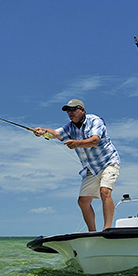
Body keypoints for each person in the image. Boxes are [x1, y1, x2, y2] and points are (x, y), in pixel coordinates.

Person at [33, 99, 121, 231]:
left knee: (105, 191)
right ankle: (92, 232)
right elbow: (56, 134)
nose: (70, 113)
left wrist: (76, 143)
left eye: (73, 109)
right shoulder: (70, 127)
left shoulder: (95, 120)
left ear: (82, 110)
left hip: (108, 162)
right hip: (91, 168)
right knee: (83, 201)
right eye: (68, 111)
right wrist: (43, 131)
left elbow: (94, 141)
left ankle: (107, 229)